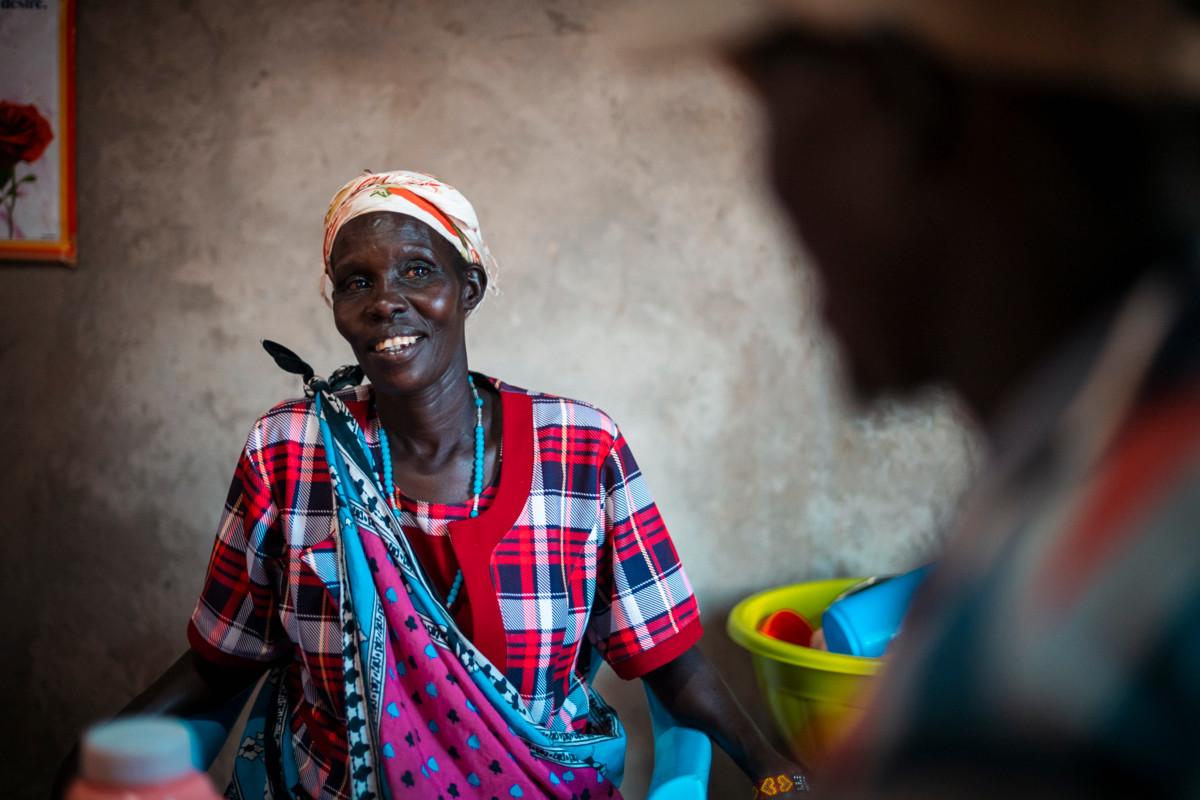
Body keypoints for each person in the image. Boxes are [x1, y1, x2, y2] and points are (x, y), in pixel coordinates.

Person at [54, 170, 805, 799]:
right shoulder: (288, 451)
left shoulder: (582, 449)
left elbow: (671, 662)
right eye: (358, 281)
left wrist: (776, 774)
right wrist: (90, 756)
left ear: (468, 286)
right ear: (339, 308)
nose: (387, 299)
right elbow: (223, 661)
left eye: (419, 270)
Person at [633, 0, 1200, 796]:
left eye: (772, 91)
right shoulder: (1094, 442)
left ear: (900, 99)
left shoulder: (1087, 604)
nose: (770, 178)